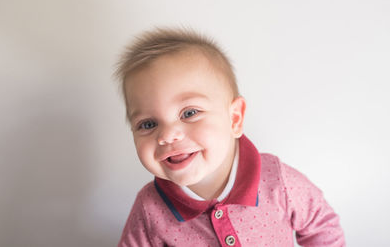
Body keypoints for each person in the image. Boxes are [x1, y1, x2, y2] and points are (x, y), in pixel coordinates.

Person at [115, 28, 345, 246]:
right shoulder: (150, 207)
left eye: (189, 113)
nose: (167, 135)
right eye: (148, 124)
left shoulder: (277, 181)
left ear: (234, 119)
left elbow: (323, 227)